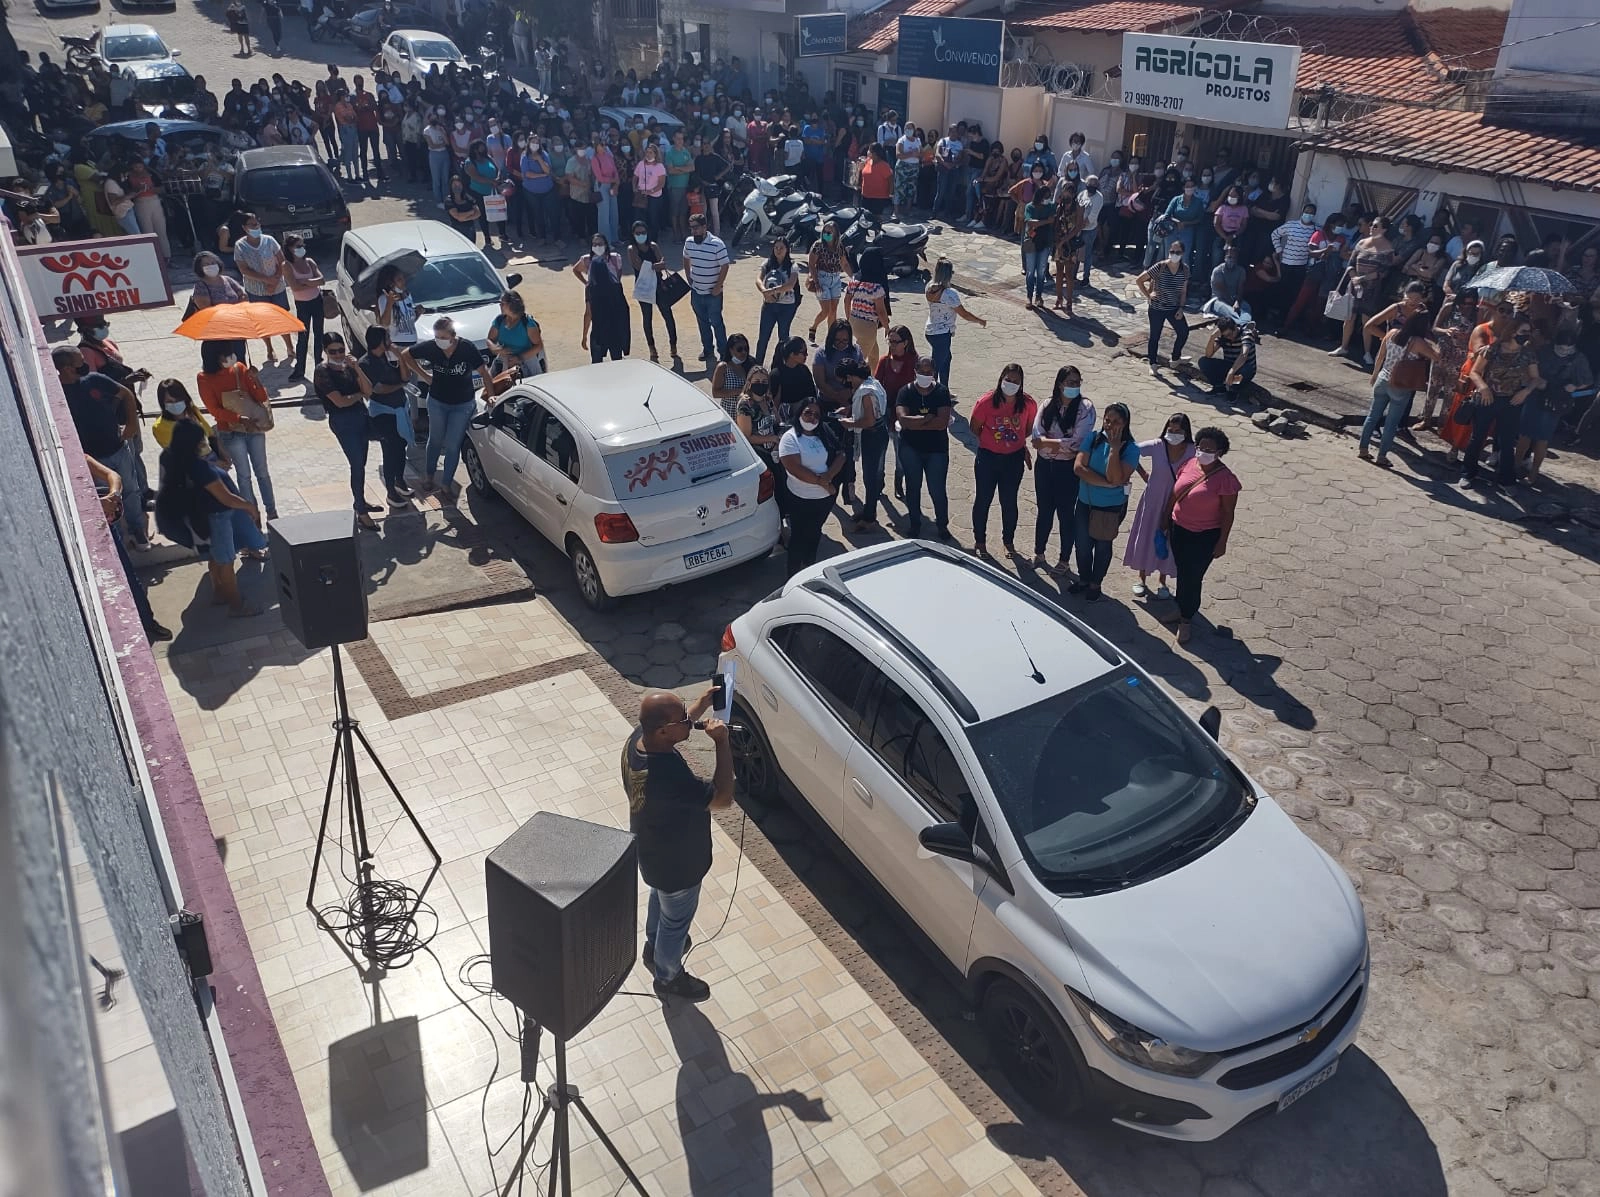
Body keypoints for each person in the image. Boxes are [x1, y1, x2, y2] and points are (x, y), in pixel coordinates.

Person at [623, 687, 733, 1002]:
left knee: (661, 902)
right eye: (683, 719)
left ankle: (653, 946)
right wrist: (722, 743)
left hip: (653, 853)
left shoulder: (637, 742)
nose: (690, 722)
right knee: (676, 920)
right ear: (663, 731)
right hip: (679, 865)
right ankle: (668, 977)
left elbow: (672, 725)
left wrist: (700, 705)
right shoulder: (667, 776)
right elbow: (722, 799)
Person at [158, 421, 269, 617]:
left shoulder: (168, 458)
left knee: (213, 557)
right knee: (225, 561)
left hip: (195, 521)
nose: (204, 444)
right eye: (201, 441)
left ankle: (219, 592)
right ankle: (237, 606)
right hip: (215, 518)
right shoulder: (200, 468)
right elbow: (225, 498)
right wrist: (250, 507)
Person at [54, 346, 151, 550]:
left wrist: (132, 423)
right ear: (67, 368)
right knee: (107, 499)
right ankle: (120, 539)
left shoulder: (94, 380)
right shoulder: (57, 396)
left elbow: (126, 394)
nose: (85, 365)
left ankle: (138, 531)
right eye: (80, 361)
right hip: (93, 460)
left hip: (119, 449)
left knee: (131, 491)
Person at [1162, 426, 1240, 644]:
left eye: (1209, 449)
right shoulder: (1188, 464)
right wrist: (1165, 518)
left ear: (1220, 452)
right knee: (1182, 570)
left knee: (1193, 577)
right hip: (1179, 528)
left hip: (1204, 536)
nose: (1203, 451)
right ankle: (1181, 608)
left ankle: (1186, 620)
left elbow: (1228, 513)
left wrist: (1222, 542)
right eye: (1200, 447)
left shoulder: (1226, 479)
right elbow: (1176, 493)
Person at [402, 316, 493, 498]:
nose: (439, 341)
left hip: (463, 404)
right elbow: (406, 355)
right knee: (435, 440)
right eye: (437, 337)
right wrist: (424, 375)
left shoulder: (466, 348)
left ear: (452, 337)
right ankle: (429, 476)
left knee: (453, 444)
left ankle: (446, 484)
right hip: (437, 401)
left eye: (443, 337)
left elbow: (484, 372)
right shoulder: (431, 347)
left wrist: (491, 396)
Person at [84, 453, 169, 641]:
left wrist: (112, 496)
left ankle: (148, 623)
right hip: (83, 539)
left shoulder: (82, 458)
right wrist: (96, 505)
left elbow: (114, 477)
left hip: (105, 528)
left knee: (127, 577)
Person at [1460, 312, 1541, 488]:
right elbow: (1475, 371)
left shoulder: (1528, 354)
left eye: (1528, 332)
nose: (1526, 335)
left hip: (1512, 401)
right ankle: (1468, 473)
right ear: (1513, 331)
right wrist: (1483, 387)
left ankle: (1506, 479)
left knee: (1506, 441)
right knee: (1477, 437)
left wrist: (1525, 392)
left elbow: (1535, 378)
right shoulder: (1493, 349)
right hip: (1488, 398)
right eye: (1523, 331)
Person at [1070, 402, 1139, 601]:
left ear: (1125, 423)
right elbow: (1078, 468)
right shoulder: (1092, 438)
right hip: (1085, 502)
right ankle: (1084, 579)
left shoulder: (1131, 449)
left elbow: (1116, 478)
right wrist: (1106, 483)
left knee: (1102, 547)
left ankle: (1095, 583)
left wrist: (1114, 451)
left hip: (1110, 508)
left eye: (1116, 422)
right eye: (1107, 420)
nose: (1110, 426)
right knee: (1082, 546)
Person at [312, 333, 382, 528]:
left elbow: (368, 391)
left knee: (362, 461)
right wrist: (358, 395)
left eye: (341, 350)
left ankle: (360, 500)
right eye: (333, 351)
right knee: (357, 463)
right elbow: (340, 402)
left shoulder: (349, 367)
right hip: (343, 421)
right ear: (325, 351)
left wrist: (357, 368)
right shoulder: (322, 372)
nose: (338, 354)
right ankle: (361, 510)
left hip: (360, 416)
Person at [1030, 366, 1094, 573]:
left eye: (1077, 382)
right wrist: (1053, 443)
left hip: (1067, 469)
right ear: (1059, 384)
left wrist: (1049, 443)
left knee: (1066, 515)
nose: (1074, 386)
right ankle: (1039, 552)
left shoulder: (1085, 408)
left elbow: (1077, 442)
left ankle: (1064, 560)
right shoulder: (1048, 404)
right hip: (1044, 467)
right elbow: (1036, 436)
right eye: (1070, 382)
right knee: (1044, 511)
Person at [968, 364, 1036, 557]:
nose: (1011, 384)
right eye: (1008, 379)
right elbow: (974, 427)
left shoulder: (1028, 404)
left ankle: (1008, 541)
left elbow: (1028, 429)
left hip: (1013, 460)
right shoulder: (986, 402)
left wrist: (1016, 444)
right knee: (983, 500)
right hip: (988, 458)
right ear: (1001, 379)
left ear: (1021, 384)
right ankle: (980, 541)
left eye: (1016, 381)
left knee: (1009, 501)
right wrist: (992, 441)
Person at [1124, 414, 1194, 599]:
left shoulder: (1192, 451)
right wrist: (1142, 473)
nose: (1173, 433)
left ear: (1186, 432)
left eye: (1178, 431)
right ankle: (1141, 578)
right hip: (1153, 501)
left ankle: (1163, 581)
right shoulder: (1157, 445)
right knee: (1147, 535)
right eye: (1171, 430)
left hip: (1177, 502)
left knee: (1169, 541)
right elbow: (1131, 451)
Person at [1358, 309, 1439, 468]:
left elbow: (1381, 356)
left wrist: (1374, 375)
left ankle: (1363, 448)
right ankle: (1382, 456)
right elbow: (1437, 357)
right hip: (1400, 385)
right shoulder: (1418, 342)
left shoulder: (1392, 333)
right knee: (1391, 422)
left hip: (1383, 378)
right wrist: (1433, 340)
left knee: (1373, 416)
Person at [778, 399, 844, 575]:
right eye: (808, 412)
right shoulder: (790, 438)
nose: (812, 418)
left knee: (814, 533)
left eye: (816, 415)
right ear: (800, 413)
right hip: (800, 498)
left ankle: (808, 569)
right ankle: (792, 575)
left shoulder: (824, 431)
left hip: (823, 499)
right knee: (798, 537)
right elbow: (794, 467)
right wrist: (823, 483)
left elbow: (841, 454)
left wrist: (828, 478)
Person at [1519, 328, 1593, 483]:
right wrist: (1536, 381)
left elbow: (1587, 381)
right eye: (1561, 348)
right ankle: (1514, 466)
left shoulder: (1578, 358)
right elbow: (1529, 369)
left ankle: (1534, 472)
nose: (1564, 352)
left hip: (1557, 400)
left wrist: (1575, 386)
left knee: (1542, 438)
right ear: (1554, 345)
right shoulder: (1544, 352)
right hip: (1536, 395)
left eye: (1569, 349)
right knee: (1525, 434)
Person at [894, 359, 952, 539]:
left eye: (929, 371)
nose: (925, 374)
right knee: (913, 486)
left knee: (937, 489)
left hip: (937, 449)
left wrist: (915, 422)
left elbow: (942, 423)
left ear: (934, 373)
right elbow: (903, 420)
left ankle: (942, 525)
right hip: (911, 448)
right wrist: (927, 419)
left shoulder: (941, 392)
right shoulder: (905, 392)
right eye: (922, 370)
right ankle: (915, 523)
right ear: (915, 371)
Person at [231, 214, 296, 366]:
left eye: (257, 224)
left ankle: (289, 346)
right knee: (263, 320)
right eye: (252, 225)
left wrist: (274, 279)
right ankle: (269, 348)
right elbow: (244, 269)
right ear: (244, 228)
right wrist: (265, 280)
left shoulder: (269, 240)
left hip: (277, 286)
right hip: (256, 289)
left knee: (282, 317)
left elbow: (282, 262)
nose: (256, 227)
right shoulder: (240, 246)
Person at [1331, 215, 1396, 364]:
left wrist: (1363, 279)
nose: (1372, 228)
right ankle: (1343, 347)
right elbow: (1351, 263)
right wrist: (1355, 279)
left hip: (1372, 289)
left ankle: (1367, 353)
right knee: (1349, 318)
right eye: (1372, 225)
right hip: (1354, 286)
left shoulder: (1387, 248)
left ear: (1384, 229)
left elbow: (1384, 272)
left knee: (1367, 321)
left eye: (1376, 226)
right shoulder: (1361, 242)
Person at [359, 327, 413, 505]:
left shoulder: (389, 357)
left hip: (400, 407)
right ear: (379, 341)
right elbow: (378, 389)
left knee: (401, 447)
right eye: (387, 337)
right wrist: (402, 385)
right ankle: (391, 491)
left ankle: (400, 481)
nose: (390, 339)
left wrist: (400, 356)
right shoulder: (365, 363)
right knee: (390, 451)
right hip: (383, 413)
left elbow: (406, 375)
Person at [836, 359, 889, 531]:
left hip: (872, 436)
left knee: (870, 478)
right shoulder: (872, 383)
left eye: (847, 379)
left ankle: (870, 518)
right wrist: (850, 410)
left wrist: (849, 423)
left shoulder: (866, 392)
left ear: (851, 376)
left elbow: (868, 420)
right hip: (878, 433)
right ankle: (868, 510)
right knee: (871, 477)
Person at [1419, 289, 1479, 431]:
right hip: (1442, 352)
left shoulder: (1477, 314)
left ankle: (1442, 423)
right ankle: (1426, 419)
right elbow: (1434, 327)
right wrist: (1446, 331)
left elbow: (1479, 333)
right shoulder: (1449, 308)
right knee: (1433, 387)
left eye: (1470, 303)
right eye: (1464, 303)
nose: (1466, 306)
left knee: (1450, 392)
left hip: (1460, 357)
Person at [921, 258, 985, 390]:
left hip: (931, 330)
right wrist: (979, 320)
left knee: (945, 360)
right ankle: (930, 392)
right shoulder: (950, 294)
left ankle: (944, 389)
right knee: (936, 366)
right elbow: (964, 314)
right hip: (942, 334)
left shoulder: (929, 287)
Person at [628, 221, 679, 364]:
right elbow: (637, 265)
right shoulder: (632, 249)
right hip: (643, 288)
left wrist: (652, 267)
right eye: (637, 233)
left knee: (667, 315)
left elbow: (662, 264)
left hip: (658, 285)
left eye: (643, 232)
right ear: (633, 234)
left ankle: (673, 345)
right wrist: (655, 266)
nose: (640, 235)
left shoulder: (653, 246)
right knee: (647, 318)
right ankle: (652, 348)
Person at [576, 234, 632, 363]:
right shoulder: (617, 287)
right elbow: (624, 311)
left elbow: (588, 314)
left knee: (597, 364)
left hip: (599, 333)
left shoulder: (591, 290)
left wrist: (584, 336)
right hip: (615, 332)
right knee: (617, 362)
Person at [1137, 239, 1191, 375]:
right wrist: (1149, 296)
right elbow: (1140, 280)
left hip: (1173, 307)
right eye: (1172, 251)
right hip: (1157, 308)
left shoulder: (1185, 270)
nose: (1174, 254)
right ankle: (1153, 363)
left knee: (1183, 331)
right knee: (1155, 336)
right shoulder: (1160, 267)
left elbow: (1183, 291)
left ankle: (1175, 357)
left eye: (1177, 252)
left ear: (1183, 253)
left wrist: (1181, 308)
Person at [683, 212, 730, 364]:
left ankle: (723, 352)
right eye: (691, 228)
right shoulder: (689, 242)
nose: (693, 231)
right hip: (697, 291)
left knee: (716, 322)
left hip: (713, 294)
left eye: (696, 228)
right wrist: (689, 277)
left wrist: (718, 286)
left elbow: (725, 265)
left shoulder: (717, 244)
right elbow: (685, 258)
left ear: (704, 227)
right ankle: (708, 349)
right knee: (702, 322)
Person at [282, 233, 325, 382]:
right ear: (289, 248)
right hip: (302, 305)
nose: (302, 249)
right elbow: (294, 287)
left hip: (317, 301)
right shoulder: (287, 265)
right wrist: (310, 282)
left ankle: (320, 367)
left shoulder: (310, 261)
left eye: (303, 246)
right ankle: (300, 369)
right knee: (303, 337)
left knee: (319, 334)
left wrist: (304, 282)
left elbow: (322, 280)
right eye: (298, 246)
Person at [755, 238, 801, 365]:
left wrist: (772, 291)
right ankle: (757, 366)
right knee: (763, 337)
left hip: (786, 307)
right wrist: (764, 291)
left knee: (783, 337)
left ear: (787, 250)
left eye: (781, 248)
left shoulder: (793, 266)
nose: (778, 250)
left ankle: (780, 366)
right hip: (769, 305)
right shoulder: (768, 263)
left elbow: (791, 284)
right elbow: (758, 279)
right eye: (776, 248)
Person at [843, 249, 891, 371]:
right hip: (868, 326)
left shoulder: (854, 281)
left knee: (874, 355)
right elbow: (881, 311)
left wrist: (848, 318)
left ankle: (873, 378)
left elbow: (846, 300)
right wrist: (887, 327)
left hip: (854, 321)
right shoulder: (876, 288)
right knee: (856, 362)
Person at [487, 290, 546, 381]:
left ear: (512, 305)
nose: (500, 305)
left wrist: (519, 358)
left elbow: (538, 346)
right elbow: (489, 339)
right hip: (505, 361)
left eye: (502, 303)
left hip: (528, 361)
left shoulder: (527, 323)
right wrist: (495, 348)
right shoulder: (499, 321)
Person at [806, 221, 850, 344]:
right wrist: (816, 282)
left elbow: (844, 264)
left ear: (835, 233)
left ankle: (831, 337)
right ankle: (814, 326)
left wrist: (853, 277)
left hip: (835, 279)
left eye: (829, 232)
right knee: (825, 310)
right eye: (825, 231)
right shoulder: (818, 245)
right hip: (822, 278)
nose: (826, 234)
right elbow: (811, 264)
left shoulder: (839, 246)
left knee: (833, 310)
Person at [812, 319, 865, 417]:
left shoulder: (856, 350)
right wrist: (838, 397)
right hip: (827, 399)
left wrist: (850, 393)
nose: (841, 343)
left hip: (852, 398)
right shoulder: (820, 353)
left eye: (845, 340)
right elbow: (820, 383)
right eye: (837, 340)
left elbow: (863, 375)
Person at [1197, 317, 1259, 400]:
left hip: (1244, 367)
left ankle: (1233, 390)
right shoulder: (1223, 337)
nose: (1229, 337)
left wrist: (1231, 372)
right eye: (1225, 335)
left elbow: (1243, 355)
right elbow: (1208, 355)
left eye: (1229, 334)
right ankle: (1219, 387)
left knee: (1245, 370)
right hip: (1229, 365)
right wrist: (1212, 337)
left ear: (1234, 328)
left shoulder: (1246, 334)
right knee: (1204, 362)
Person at [1020, 176, 1055, 312]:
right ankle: (1029, 296)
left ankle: (1039, 296)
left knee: (1041, 271)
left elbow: (1053, 218)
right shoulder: (1030, 207)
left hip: (1045, 242)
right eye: (1045, 196)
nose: (1047, 199)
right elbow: (1030, 222)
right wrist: (1046, 221)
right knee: (1030, 271)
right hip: (1032, 241)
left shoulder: (1051, 206)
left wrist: (1042, 222)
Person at [710, 334, 752, 417]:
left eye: (746, 349)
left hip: (745, 413)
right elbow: (715, 393)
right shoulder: (723, 367)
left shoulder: (749, 365)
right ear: (731, 350)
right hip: (729, 412)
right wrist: (740, 391)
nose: (744, 352)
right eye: (739, 349)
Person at [893, 125, 922, 221]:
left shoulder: (917, 140)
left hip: (914, 167)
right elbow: (898, 155)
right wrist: (910, 154)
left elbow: (921, 154)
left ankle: (907, 210)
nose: (909, 130)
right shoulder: (902, 140)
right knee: (899, 188)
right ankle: (896, 211)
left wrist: (917, 154)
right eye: (907, 128)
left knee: (911, 189)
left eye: (911, 128)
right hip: (903, 167)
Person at [858, 143, 892, 217]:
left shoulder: (884, 165)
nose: (868, 152)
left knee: (875, 219)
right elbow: (863, 174)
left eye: (869, 150)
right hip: (865, 196)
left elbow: (890, 180)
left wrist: (890, 193)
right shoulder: (867, 161)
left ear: (875, 153)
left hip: (878, 198)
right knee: (864, 218)